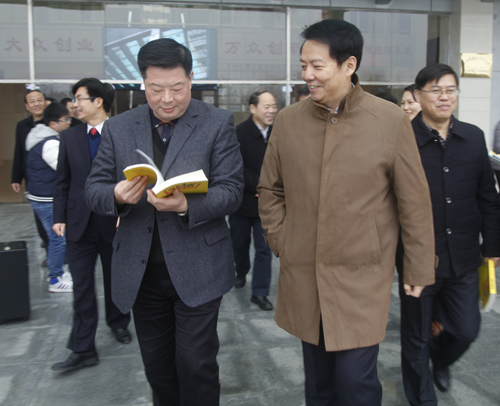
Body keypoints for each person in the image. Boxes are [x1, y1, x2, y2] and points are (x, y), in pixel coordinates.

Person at [257, 19, 435, 406]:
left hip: (362, 277)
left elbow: (414, 200)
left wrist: (419, 267)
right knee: (319, 384)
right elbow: (270, 189)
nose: (307, 74)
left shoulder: (388, 120)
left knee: (356, 383)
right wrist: (282, 240)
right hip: (305, 272)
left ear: (349, 64)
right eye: (303, 65)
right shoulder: (289, 121)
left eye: (317, 66)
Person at [84, 38, 243, 406]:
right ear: (143, 83)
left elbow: (233, 190)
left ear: (191, 79)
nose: (167, 99)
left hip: (199, 266)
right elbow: (93, 189)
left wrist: (187, 204)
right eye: (156, 89)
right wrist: (116, 195)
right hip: (141, 272)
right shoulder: (119, 127)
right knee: (157, 368)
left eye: (177, 87)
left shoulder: (217, 122)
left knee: (195, 363)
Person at [397, 63, 500, 406]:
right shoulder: (402, 140)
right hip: (419, 260)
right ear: (418, 95)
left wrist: (492, 246)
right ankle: (421, 399)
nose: (444, 97)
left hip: (464, 256)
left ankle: (440, 359)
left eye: (450, 90)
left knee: (466, 329)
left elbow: (488, 197)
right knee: (416, 337)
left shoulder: (473, 137)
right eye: (436, 90)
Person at [51, 78, 132, 372]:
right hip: (78, 224)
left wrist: (126, 212)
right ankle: (83, 347)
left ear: (98, 101)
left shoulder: (123, 134)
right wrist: (59, 216)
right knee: (82, 286)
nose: (75, 104)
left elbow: (133, 179)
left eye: (79, 98)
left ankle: (119, 322)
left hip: (114, 221)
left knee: (116, 279)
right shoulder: (70, 137)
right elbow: (62, 180)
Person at [229, 90, 277, 311]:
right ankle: (240, 271)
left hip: (266, 206)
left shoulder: (278, 133)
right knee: (239, 245)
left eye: (274, 106)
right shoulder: (238, 133)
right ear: (253, 108)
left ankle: (259, 292)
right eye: (266, 106)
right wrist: (261, 186)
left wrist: (272, 189)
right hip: (241, 203)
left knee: (264, 249)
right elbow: (235, 167)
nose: (271, 111)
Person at [25, 102, 73, 293]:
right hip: (46, 199)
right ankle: (55, 278)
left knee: (57, 237)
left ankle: (58, 272)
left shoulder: (40, 137)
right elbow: (65, 170)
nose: (69, 122)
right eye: (65, 119)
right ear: (53, 124)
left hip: (41, 196)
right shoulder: (50, 143)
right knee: (58, 238)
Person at [11, 90, 50, 263]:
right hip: (33, 180)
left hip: (53, 180)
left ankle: (59, 253)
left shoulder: (53, 122)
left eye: (39, 100)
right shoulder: (22, 126)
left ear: (45, 102)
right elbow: (19, 152)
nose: (37, 104)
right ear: (27, 106)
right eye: (32, 101)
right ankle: (50, 252)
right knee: (41, 219)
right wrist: (16, 178)